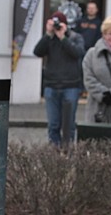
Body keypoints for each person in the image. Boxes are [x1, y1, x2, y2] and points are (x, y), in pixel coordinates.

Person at [33, 11, 85, 145]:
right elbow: (37, 52)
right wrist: (48, 34)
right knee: (53, 124)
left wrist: (63, 38)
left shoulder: (75, 37)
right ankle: (54, 156)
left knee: (68, 125)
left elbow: (77, 53)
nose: (56, 27)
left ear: (66, 25)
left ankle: (67, 153)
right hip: (51, 86)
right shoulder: (49, 40)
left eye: (59, 24)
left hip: (71, 87)